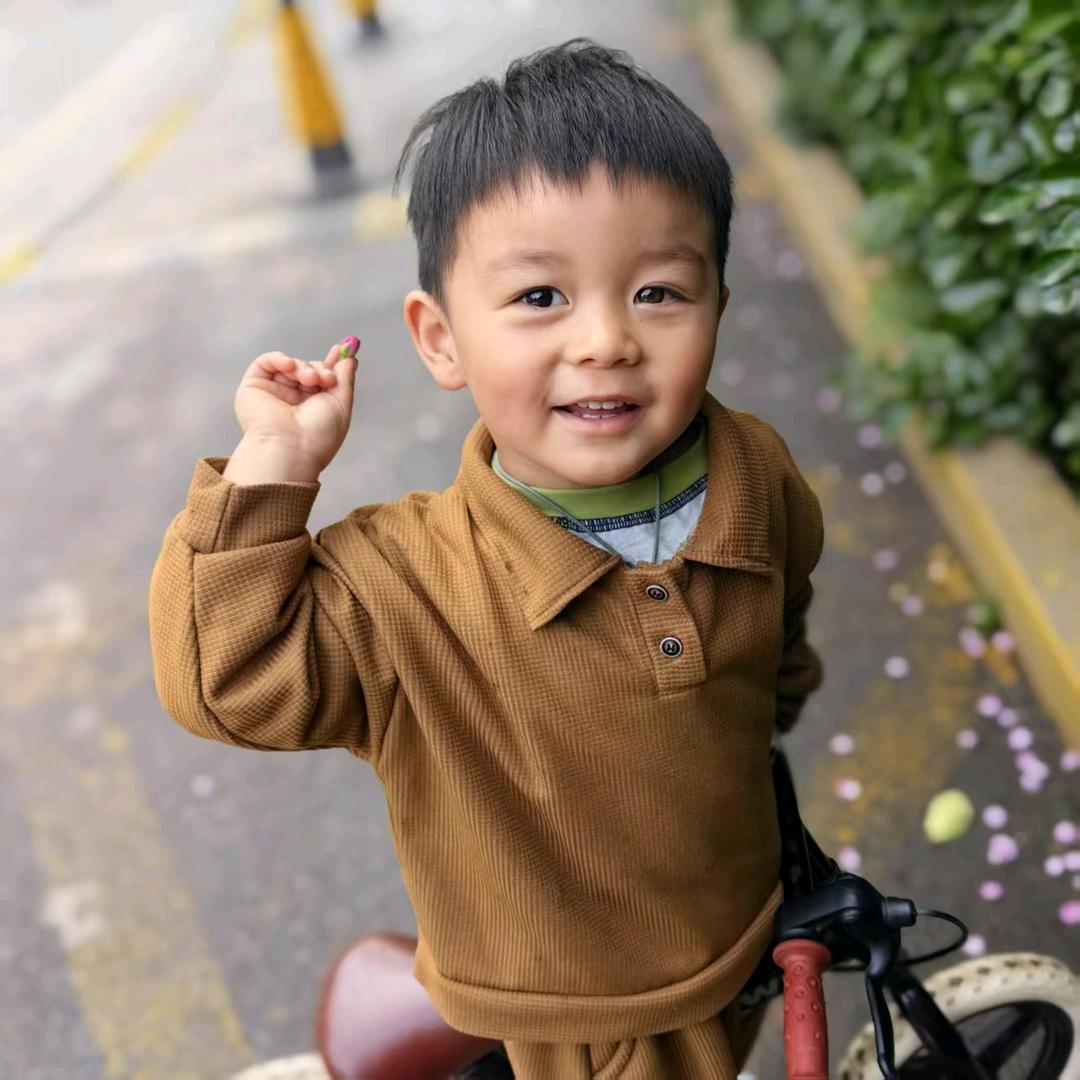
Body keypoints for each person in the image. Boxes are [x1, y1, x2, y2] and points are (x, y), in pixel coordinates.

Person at [148, 37, 824, 1079]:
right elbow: (224, 680)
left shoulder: (754, 475)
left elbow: (785, 628)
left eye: (657, 292)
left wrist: (769, 707)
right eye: (540, 299)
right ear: (441, 339)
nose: (605, 340)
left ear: (718, 308)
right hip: (564, 1010)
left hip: (732, 931)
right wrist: (272, 468)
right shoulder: (400, 585)